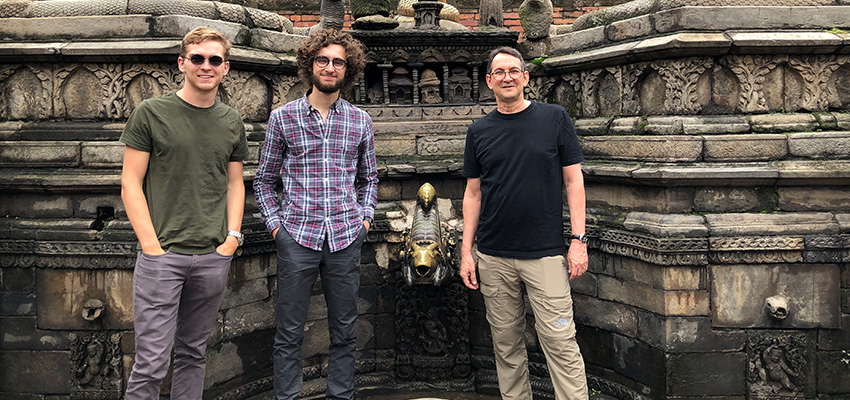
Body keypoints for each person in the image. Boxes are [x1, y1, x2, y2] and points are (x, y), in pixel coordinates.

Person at [120, 26, 248, 400]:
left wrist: (231, 239)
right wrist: (151, 246)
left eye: (214, 60)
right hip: (163, 257)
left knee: (194, 354)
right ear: (182, 63)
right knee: (151, 363)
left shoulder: (231, 120)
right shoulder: (151, 113)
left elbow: (234, 183)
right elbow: (130, 183)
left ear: (226, 68)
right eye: (197, 58)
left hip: (212, 256)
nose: (205, 66)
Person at [253, 29, 378, 400]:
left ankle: (341, 395)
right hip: (297, 238)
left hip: (344, 236)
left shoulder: (360, 122)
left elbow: (368, 179)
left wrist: (364, 220)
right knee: (289, 332)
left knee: (345, 329)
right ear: (310, 65)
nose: (329, 67)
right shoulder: (283, 118)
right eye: (322, 60)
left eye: (338, 61)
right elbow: (263, 181)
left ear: (348, 69)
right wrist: (278, 228)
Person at [460, 46, 590, 400]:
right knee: (506, 346)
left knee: (560, 342)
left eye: (514, 71)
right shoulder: (479, 131)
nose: (507, 77)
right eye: (499, 72)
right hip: (493, 255)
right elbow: (473, 194)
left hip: (545, 254)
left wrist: (578, 239)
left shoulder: (554, 118)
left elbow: (573, 180)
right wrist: (466, 251)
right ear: (489, 81)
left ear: (525, 77)